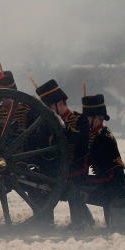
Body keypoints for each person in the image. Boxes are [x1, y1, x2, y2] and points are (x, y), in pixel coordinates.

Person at [35, 78, 94, 229]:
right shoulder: (45, 123)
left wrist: (64, 128)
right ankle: (45, 223)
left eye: (50, 107)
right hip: (53, 170)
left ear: (60, 103)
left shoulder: (79, 119)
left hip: (75, 169)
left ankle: (79, 223)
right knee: (38, 188)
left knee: (74, 190)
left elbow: (82, 143)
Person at [81, 93, 125, 226]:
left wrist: (84, 180)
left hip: (114, 187)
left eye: (87, 118)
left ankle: (87, 223)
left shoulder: (104, 137)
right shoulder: (94, 135)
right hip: (106, 183)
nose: (85, 121)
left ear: (98, 118)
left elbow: (110, 175)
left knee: (76, 192)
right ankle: (88, 222)